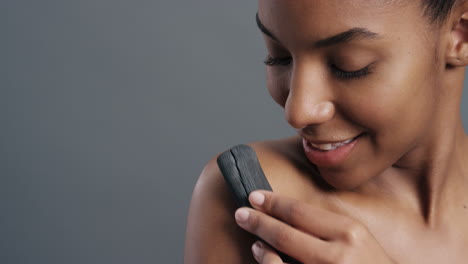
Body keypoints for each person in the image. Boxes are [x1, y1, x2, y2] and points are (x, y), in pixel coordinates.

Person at [184, 0, 468, 263]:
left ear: (460, 34)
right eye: (280, 57)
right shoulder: (250, 196)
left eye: (348, 66)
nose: (297, 112)